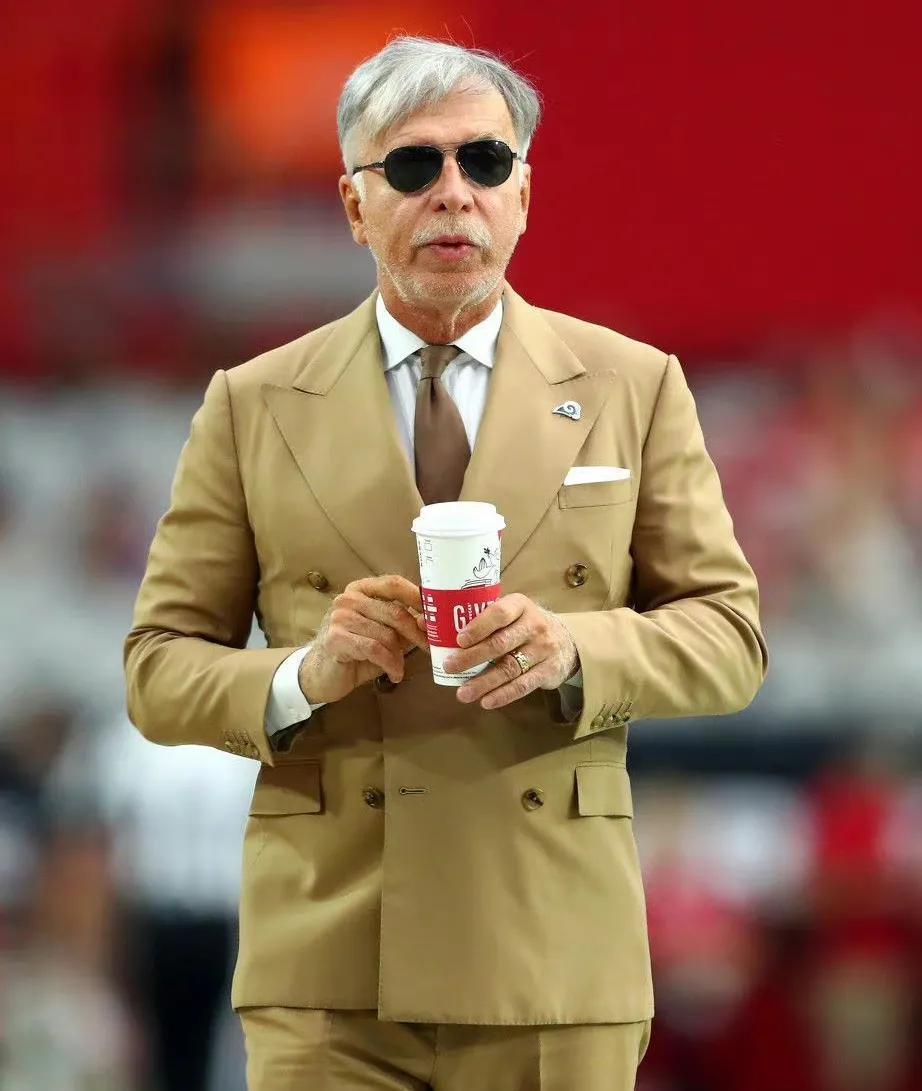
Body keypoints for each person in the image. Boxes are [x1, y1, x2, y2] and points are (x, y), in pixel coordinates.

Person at [123, 35, 768, 1091]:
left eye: (485, 161)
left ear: (524, 194)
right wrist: (303, 674)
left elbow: (729, 638)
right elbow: (157, 666)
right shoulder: (252, 403)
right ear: (354, 204)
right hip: (330, 958)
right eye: (414, 165)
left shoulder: (633, 384)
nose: (454, 193)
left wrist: (575, 649)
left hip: (551, 946)